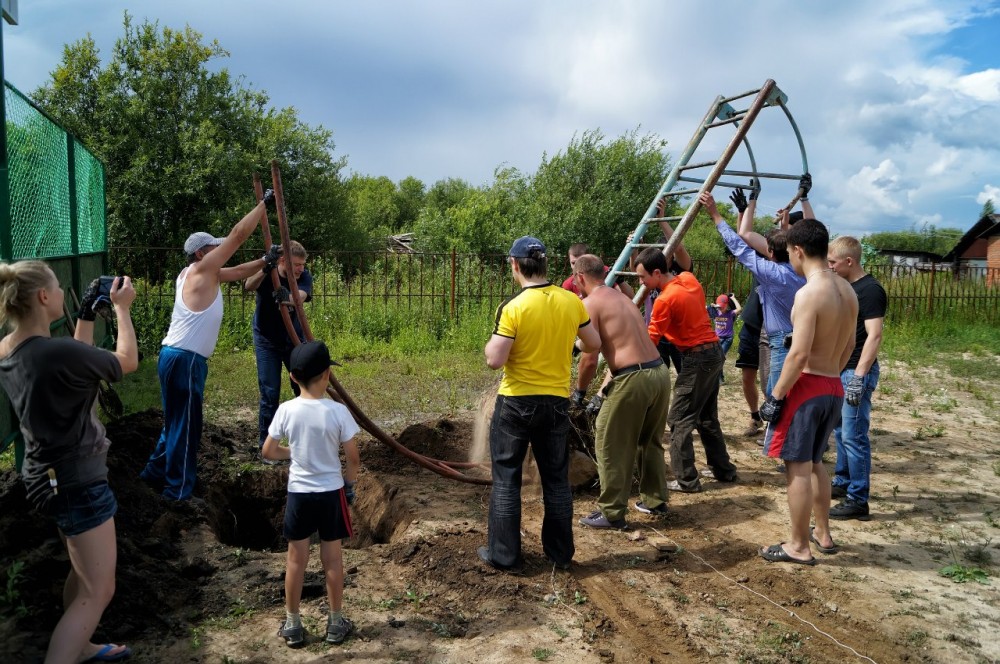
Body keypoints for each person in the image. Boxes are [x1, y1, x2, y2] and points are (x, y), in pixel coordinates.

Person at [0, 262, 138, 663]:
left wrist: (86, 314)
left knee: (83, 575)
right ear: (44, 297)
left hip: (48, 478)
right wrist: (123, 309)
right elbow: (125, 362)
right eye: (58, 287)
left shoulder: (12, 349)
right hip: (79, 482)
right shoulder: (54, 352)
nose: (62, 291)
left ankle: (82, 647)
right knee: (99, 590)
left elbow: (78, 361)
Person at [141, 193, 278, 501]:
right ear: (203, 253)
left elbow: (240, 272)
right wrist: (262, 205)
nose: (221, 249)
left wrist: (266, 262)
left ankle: (152, 474)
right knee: (186, 427)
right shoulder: (202, 271)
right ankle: (177, 492)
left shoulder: (198, 274)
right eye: (215, 248)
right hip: (185, 360)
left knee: (175, 421)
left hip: (176, 357)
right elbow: (238, 235)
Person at [480, 236, 601, 571]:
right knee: (556, 480)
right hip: (555, 403)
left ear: (515, 265)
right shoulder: (571, 302)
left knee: (506, 479)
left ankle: (505, 556)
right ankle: (560, 555)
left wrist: (495, 346)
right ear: (546, 265)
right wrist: (566, 345)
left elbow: (495, 359)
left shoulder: (513, 306)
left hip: (516, 402)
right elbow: (592, 343)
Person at [758, 219, 858, 565]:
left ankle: (798, 545)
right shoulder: (848, 291)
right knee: (816, 462)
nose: (791, 259)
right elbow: (850, 345)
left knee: (797, 467)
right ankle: (823, 534)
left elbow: (798, 355)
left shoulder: (809, 293)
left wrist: (777, 395)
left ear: (798, 251)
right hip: (833, 384)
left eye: (789, 254)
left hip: (808, 387)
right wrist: (833, 372)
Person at [262, 340, 360, 647]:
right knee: (332, 560)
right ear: (327, 375)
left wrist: (294, 453)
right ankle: (335, 622)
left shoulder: (286, 410)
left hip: (299, 495)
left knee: (295, 561)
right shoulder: (338, 412)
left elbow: (268, 450)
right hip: (331, 494)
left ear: (292, 377)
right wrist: (349, 484)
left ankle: (292, 623)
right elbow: (353, 457)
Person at [572, 255, 672, 529]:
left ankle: (612, 512)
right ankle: (655, 500)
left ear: (580, 277)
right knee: (649, 441)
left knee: (609, 440)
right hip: (659, 373)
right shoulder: (621, 298)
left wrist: (580, 393)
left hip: (633, 379)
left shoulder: (590, 303)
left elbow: (591, 357)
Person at [635, 248, 738, 493]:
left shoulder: (664, 300)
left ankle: (687, 480)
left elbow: (651, 340)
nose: (641, 283)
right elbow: (683, 259)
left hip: (697, 359)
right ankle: (724, 470)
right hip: (714, 353)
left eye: (642, 278)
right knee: (706, 417)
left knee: (679, 419)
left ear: (657, 273)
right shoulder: (689, 281)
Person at [704, 182, 811, 399]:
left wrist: (715, 214)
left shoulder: (772, 273)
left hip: (781, 340)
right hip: (801, 335)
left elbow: (739, 244)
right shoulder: (803, 268)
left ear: (770, 252)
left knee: (777, 397)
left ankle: (781, 431)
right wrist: (794, 211)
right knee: (787, 393)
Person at [828, 236, 886, 521]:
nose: (830, 267)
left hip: (856, 371)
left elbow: (874, 335)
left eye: (833, 262)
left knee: (854, 435)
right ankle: (842, 481)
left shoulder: (871, 290)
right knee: (840, 431)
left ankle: (858, 498)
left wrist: (858, 376)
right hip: (842, 368)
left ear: (849, 261)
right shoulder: (848, 287)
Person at [244, 239, 313, 456]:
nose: (301, 269)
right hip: (267, 340)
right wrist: (265, 268)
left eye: (303, 264)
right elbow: (248, 285)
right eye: (297, 265)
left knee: (303, 389)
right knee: (270, 391)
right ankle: (266, 445)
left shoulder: (304, 276)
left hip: (293, 341)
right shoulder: (269, 273)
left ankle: (304, 441)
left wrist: (288, 298)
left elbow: (301, 296)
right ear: (283, 260)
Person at [734, 278, 766, 436]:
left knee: (772, 382)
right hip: (751, 327)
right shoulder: (760, 261)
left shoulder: (789, 264)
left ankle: (773, 424)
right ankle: (755, 417)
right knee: (747, 378)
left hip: (776, 329)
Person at [708, 293, 741, 382]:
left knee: (719, 357)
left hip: (727, 339)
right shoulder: (715, 312)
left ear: (727, 305)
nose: (721, 309)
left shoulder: (730, 313)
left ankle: (719, 379)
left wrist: (733, 298)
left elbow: (739, 309)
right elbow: (703, 308)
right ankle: (719, 377)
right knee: (719, 358)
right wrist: (713, 306)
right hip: (717, 339)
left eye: (723, 307)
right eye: (719, 307)